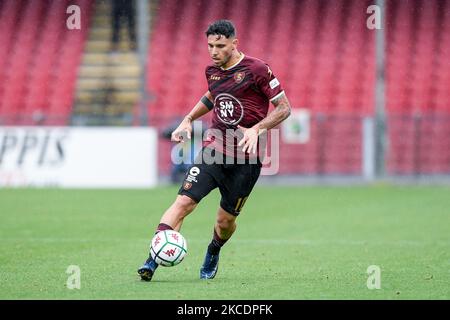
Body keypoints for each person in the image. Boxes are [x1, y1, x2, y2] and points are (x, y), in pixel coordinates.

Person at [138, 20, 291, 281]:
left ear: (234, 43)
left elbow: (284, 108)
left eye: (220, 46)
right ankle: (153, 258)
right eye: (210, 45)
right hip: (213, 150)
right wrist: (188, 118)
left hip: (246, 158)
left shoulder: (257, 69)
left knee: (225, 222)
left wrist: (257, 129)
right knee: (183, 202)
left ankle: (213, 249)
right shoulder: (212, 71)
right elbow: (212, 95)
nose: (214, 51)